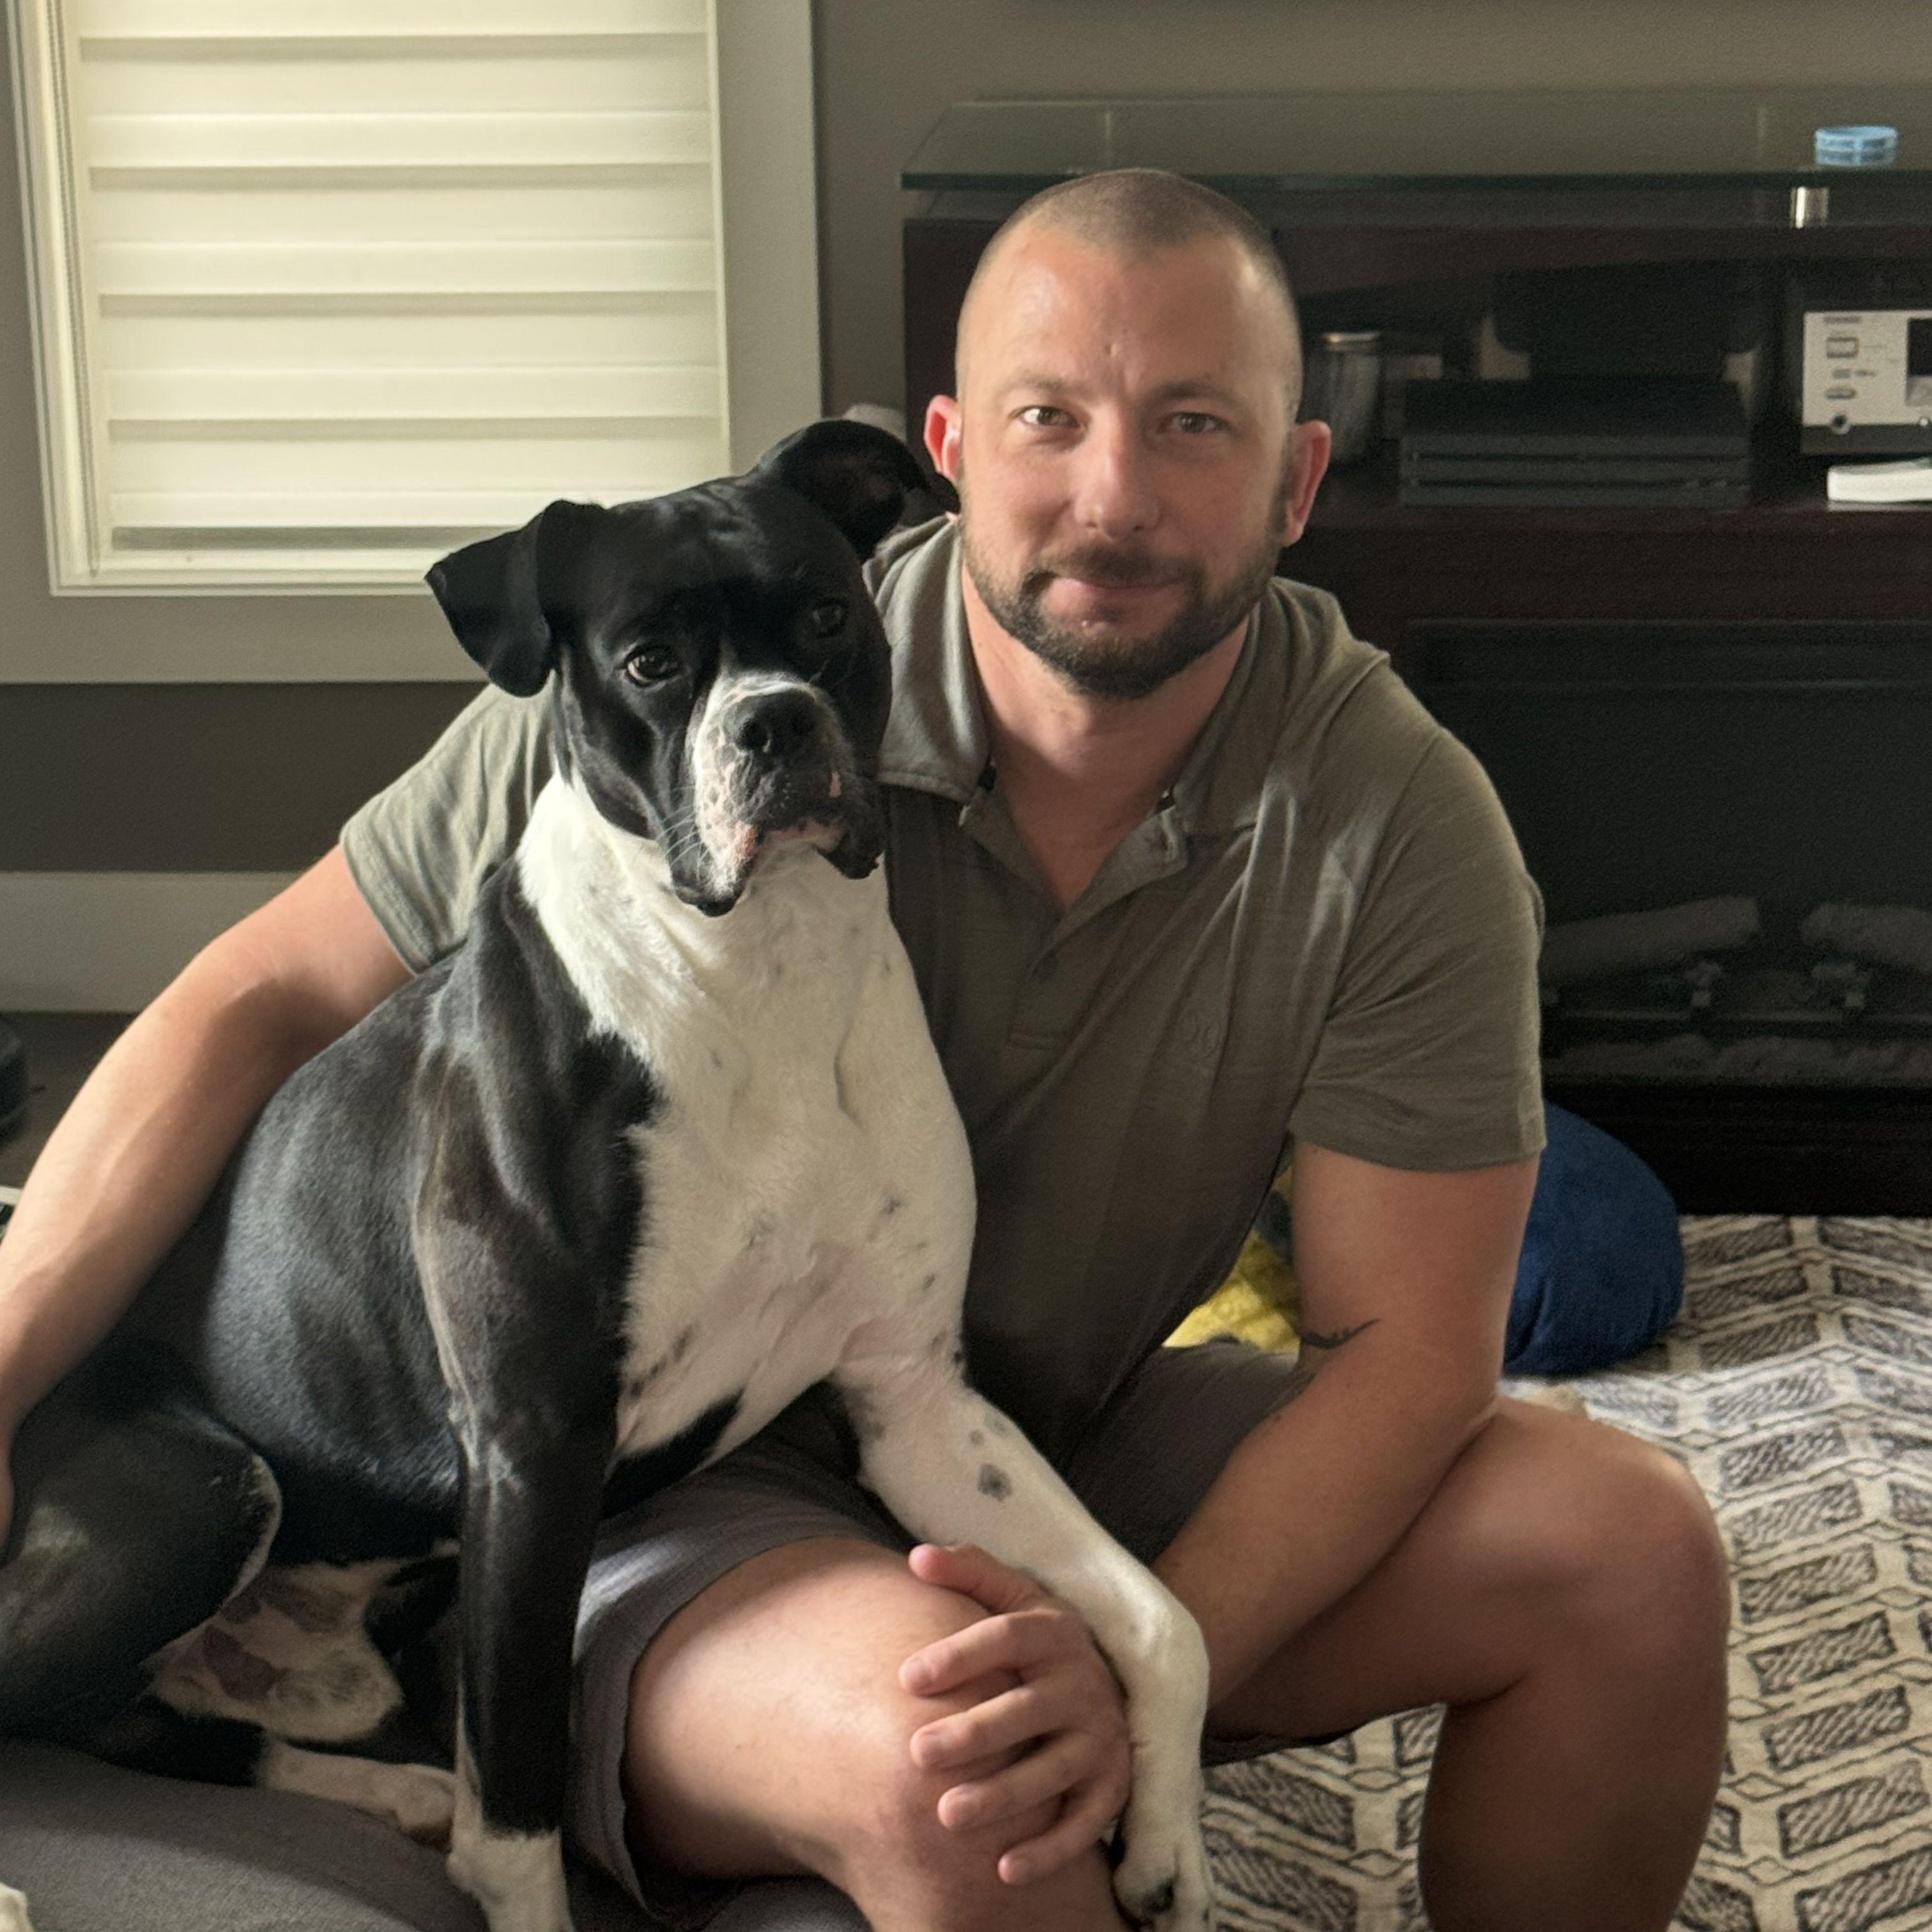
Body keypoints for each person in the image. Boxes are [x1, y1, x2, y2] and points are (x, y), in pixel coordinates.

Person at [0, 170, 1728, 1932]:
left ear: (1297, 479)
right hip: (650, 1491)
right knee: (970, 1776)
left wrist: (1151, 1651)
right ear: (949, 454)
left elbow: (1408, 1356)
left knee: (1635, 1550)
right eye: (1051, 418)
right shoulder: (664, 690)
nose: (1114, 494)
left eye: (1193, 424)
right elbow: (257, 998)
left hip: (1028, 1416)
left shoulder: (1399, 821)